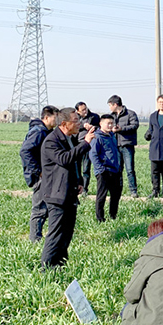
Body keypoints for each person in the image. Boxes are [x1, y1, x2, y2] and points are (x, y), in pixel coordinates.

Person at [40, 107, 96, 268]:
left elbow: (72, 164)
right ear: (64, 123)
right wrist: (86, 143)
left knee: (66, 234)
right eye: (75, 121)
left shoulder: (69, 138)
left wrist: (78, 181)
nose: (79, 123)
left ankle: (60, 267)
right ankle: (47, 269)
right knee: (56, 234)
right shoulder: (52, 141)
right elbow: (64, 159)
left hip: (68, 192)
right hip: (56, 195)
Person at [19, 105, 60, 242]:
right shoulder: (38, 132)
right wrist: (38, 171)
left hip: (47, 174)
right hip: (40, 176)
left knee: (47, 208)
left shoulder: (47, 132)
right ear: (47, 117)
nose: (57, 121)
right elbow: (25, 151)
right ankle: (34, 240)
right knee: (39, 209)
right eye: (56, 117)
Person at [90, 114, 122, 222]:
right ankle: (100, 218)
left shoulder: (112, 136)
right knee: (101, 196)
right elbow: (93, 154)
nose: (110, 125)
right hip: (104, 171)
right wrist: (100, 169)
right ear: (101, 124)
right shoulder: (97, 137)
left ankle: (113, 216)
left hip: (115, 170)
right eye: (107, 123)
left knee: (115, 195)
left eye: (111, 123)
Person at [108, 95, 140, 198]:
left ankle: (133, 191)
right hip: (115, 145)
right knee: (118, 170)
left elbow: (135, 125)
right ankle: (118, 190)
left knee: (130, 169)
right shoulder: (111, 116)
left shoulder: (130, 114)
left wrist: (121, 129)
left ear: (115, 104)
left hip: (127, 145)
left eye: (110, 105)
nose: (109, 107)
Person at [74, 102, 100, 195]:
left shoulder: (94, 117)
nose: (85, 111)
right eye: (82, 110)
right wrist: (82, 125)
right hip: (77, 145)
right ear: (77, 111)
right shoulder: (75, 118)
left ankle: (85, 189)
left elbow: (99, 128)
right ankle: (77, 187)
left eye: (86, 109)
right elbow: (72, 127)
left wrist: (92, 127)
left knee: (86, 168)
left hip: (88, 145)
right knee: (76, 168)